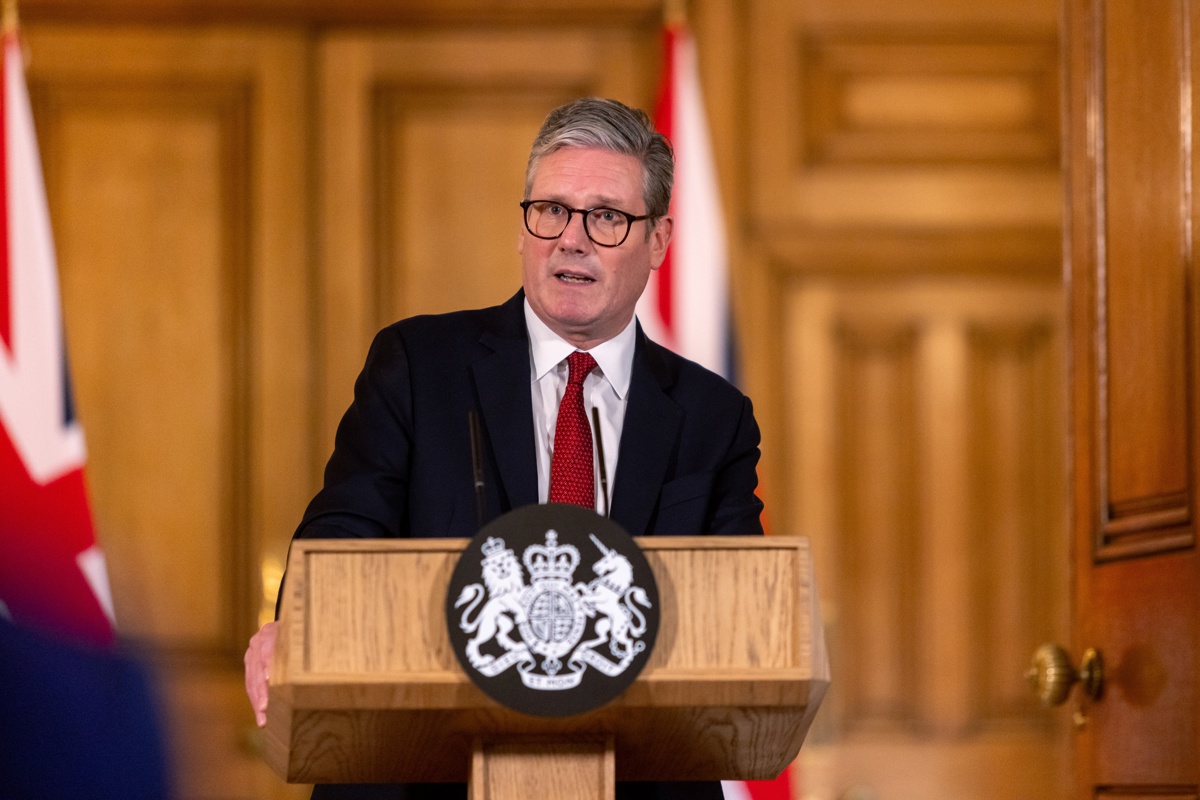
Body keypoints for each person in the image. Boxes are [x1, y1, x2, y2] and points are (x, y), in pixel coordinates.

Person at [244, 97, 765, 800]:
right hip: (419, 777)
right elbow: (344, 529)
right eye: (550, 210)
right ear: (523, 228)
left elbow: (738, 610)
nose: (570, 239)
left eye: (606, 217)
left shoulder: (712, 417)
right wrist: (298, 621)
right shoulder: (420, 365)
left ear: (661, 241)